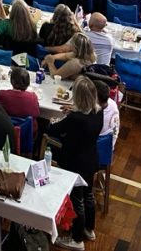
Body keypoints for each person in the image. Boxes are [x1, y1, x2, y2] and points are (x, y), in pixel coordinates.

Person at [46, 77, 104, 250]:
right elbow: (83, 118)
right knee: (88, 195)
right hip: (91, 160)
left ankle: (77, 239)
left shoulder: (76, 119)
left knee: (76, 200)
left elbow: (54, 129)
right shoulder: (98, 112)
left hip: (75, 163)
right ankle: (89, 229)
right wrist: (73, 111)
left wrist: (52, 121)